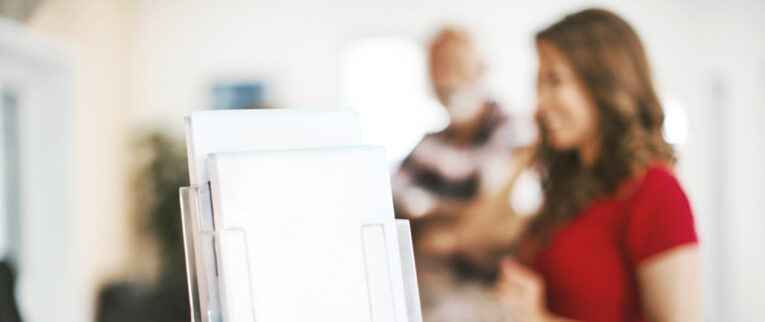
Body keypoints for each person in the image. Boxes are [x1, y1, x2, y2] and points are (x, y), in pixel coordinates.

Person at [493, 8, 701, 322]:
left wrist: (539, 319)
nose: (541, 103)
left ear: (604, 81)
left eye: (555, 79)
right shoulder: (573, 184)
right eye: (539, 83)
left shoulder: (655, 190)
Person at [392, 27, 519, 257]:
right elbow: (393, 199)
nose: (447, 77)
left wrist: (439, 220)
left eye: (457, 64)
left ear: (482, 68)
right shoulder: (429, 145)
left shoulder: (515, 131)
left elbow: (501, 215)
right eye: (438, 66)